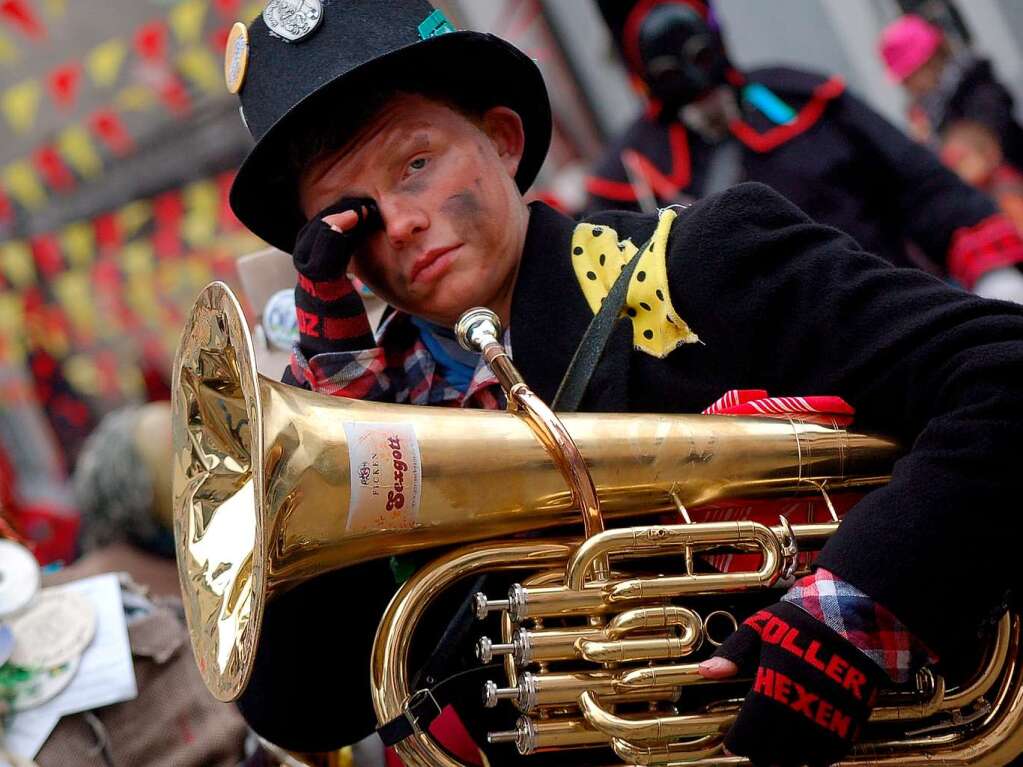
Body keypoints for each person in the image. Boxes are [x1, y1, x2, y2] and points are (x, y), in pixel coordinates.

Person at [220, 2, 1023, 765]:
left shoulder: (702, 258)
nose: (398, 222)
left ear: (503, 141)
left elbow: (1001, 370)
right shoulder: (363, 407)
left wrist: (850, 611)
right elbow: (305, 705)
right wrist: (335, 404)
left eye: (417, 164)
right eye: (349, 213)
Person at [588, 0, 1023, 303]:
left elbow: (925, 188)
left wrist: (992, 273)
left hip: (897, 319)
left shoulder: (805, 99)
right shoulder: (628, 176)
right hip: (767, 400)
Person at [880, 14, 1023, 234]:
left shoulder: (979, 92)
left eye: (909, 77)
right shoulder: (928, 112)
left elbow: (979, 159)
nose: (908, 87)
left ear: (929, 61)